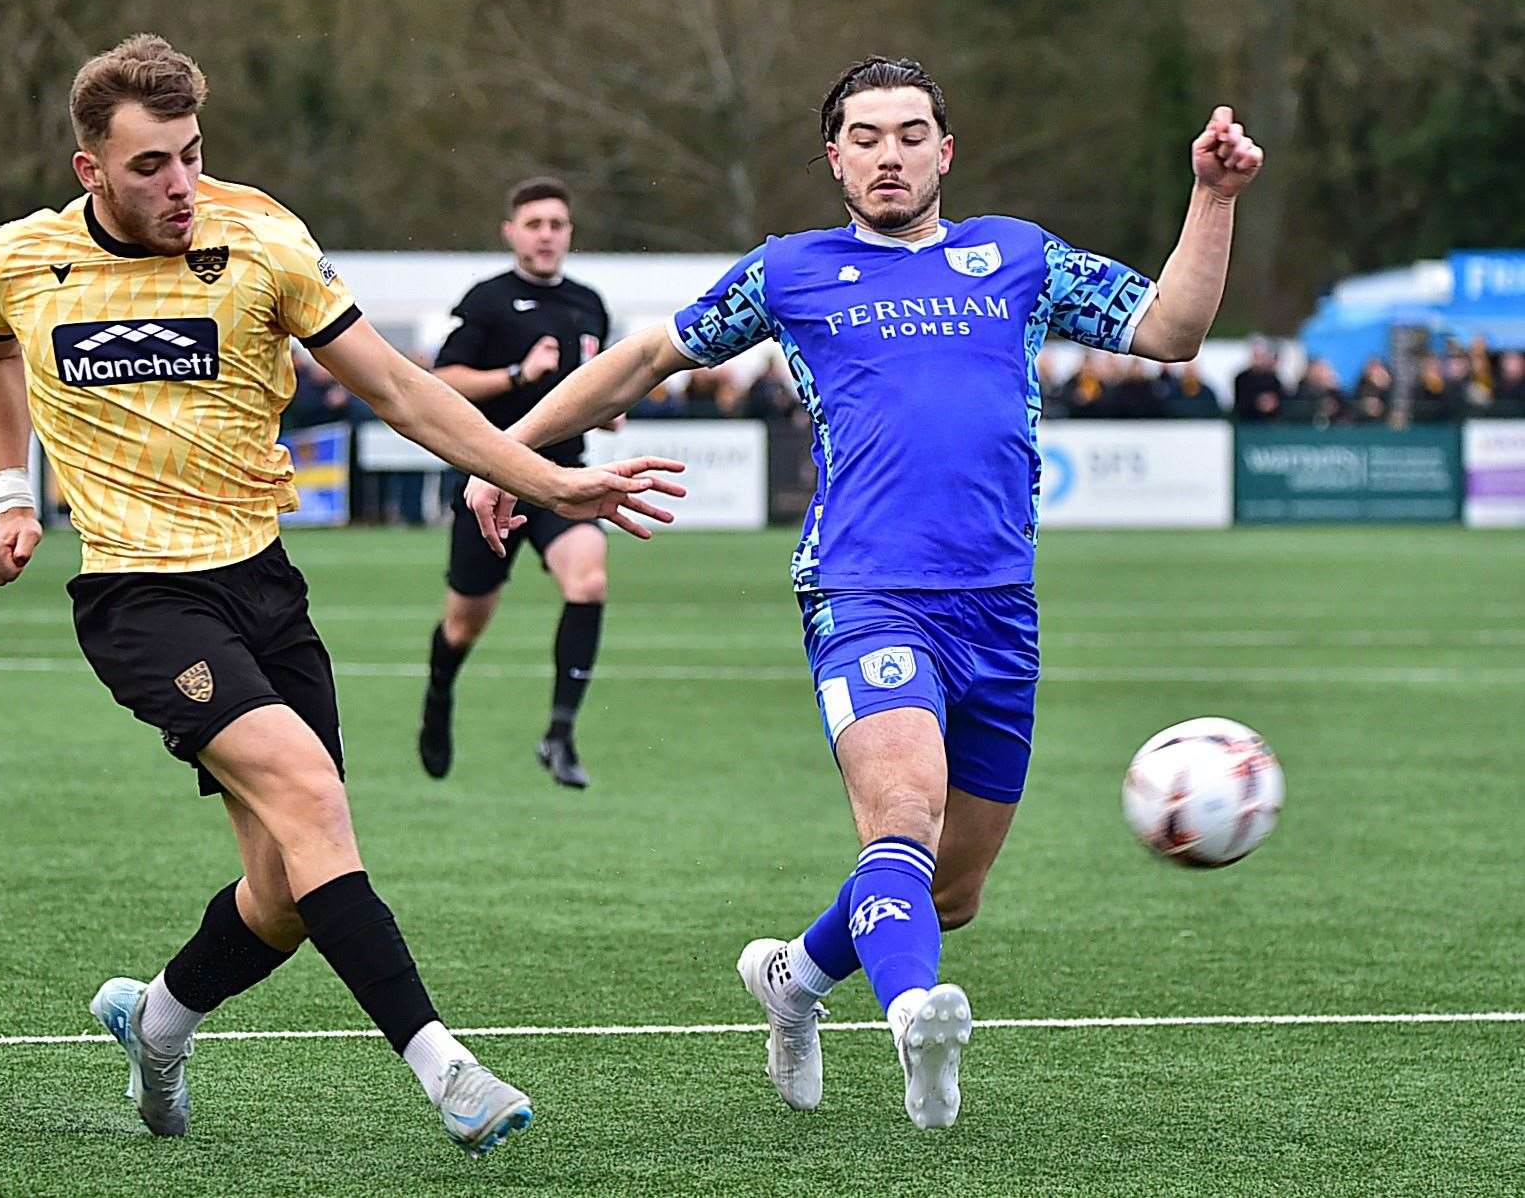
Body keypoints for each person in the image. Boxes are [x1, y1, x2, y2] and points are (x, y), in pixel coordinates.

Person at [465, 55, 1262, 1130]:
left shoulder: (1016, 256)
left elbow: (1170, 330)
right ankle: (914, 1022)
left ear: (945, 150)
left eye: (910, 133)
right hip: (862, 587)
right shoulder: (790, 270)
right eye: (866, 136)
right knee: (901, 814)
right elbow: (647, 355)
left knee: (952, 892)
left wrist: (1210, 197)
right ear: (833, 156)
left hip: (999, 606)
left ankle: (793, 979)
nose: (889, 154)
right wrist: (507, 451)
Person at [0, 35, 682, 1155]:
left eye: (191, 155)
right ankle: (445, 1068)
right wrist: (13, 492)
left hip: (262, 583)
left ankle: (156, 1021)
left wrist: (545, 479)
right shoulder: (21, 259)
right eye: (149, 164)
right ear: (87, 168)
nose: (179, 184)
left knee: (286, 894)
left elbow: (397, 389)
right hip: (139, 597)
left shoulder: (262, 238)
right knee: (313, 796)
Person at [417, 177, 615, 789]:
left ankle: (559, 734)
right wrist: (515, 373)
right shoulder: (488, 301)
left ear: (569, 232)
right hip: (491, 476)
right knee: (465, 623)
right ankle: (439, 694)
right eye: (534, 224)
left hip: (563, 476)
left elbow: (598, 390)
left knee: (589, 578)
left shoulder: (589, 304)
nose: (547, 235)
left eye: (557, 224)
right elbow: (443, 379)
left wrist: (609, 406)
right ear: (512, 233)